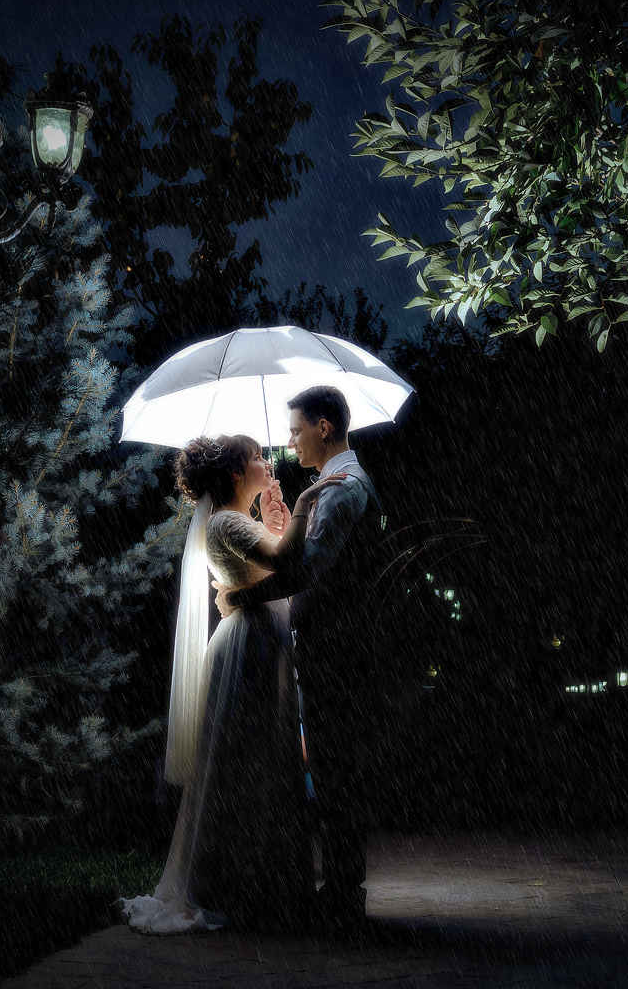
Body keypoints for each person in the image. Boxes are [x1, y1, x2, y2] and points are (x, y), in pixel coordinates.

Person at [119, 433, 346, 934]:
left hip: (259, 640)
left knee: (259, 759)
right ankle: (235, 884)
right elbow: (285, 563)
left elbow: (273, 562)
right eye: (257, 457)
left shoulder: (237, 521)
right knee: (246, 761)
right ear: (237, 474)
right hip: (250, 647)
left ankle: (256, 880)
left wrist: (275, 522)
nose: (267, 461)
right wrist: (301, 508)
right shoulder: (225, 522)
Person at [224, 385, 386, 928]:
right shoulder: (337, 485)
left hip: (337, 647)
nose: (290, 442)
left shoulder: (342, 489)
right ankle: (341, 889)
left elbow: (307, 571)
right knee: (335, 765)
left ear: (323, 427)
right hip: (337, 643)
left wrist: (240, 598)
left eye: (296, 431)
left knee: (336, 766)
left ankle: (343, 895)